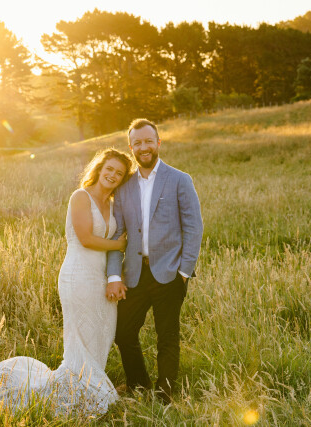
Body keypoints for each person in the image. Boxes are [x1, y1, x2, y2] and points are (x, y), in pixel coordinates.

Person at [0, 148, 133, 417]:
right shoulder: (81, 197)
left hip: (101, 278)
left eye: (119, 173)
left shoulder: (114, 204)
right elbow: (85, 238)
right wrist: (119, 244)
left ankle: (87, 391)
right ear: (99, 168)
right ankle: (76, 394)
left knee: (101, 335)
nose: (113, 175)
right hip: (78, 275)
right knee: (80, 339)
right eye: (110, 169)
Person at [106, 118, 203, 403]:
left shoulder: (180, 180)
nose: (144, 147)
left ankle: (165, 394)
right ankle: (138, 383)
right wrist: (114, 275)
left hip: (170, 273)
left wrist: (184, 272)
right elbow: (118, 234)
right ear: (131, 147)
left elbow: (194, 228)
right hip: (134, 273)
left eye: (148, 141)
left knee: (167, 336)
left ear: (158, 142)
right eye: (137, 143)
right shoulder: (124, 186)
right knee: (123, 332)